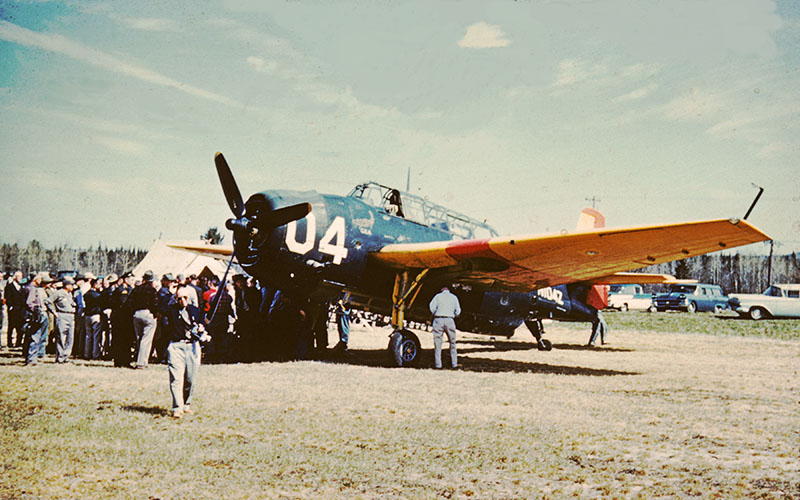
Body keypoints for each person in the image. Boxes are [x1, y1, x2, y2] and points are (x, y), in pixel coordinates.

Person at [165, 286, 210, 418]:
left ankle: (186, 404)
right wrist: (170, 292)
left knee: (190, 378)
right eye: (179, 298)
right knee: (176, 379)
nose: (182, 301)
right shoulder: (171, 310)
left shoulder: (195, 310)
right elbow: (160, 306)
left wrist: (202, 327)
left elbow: (203, 322)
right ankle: (177, 408)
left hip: (192, 347)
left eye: (185, 298)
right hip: (176, 347)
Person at [129, 270, 158, 369]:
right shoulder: (152, 290)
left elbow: (130, 302)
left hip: (137, 314)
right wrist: (154, 314)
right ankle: (142, 362)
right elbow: (155, 304)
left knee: (139, 338)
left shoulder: (136, 289)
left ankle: (139, 359)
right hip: (147, 313)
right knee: (146, 339)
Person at [428, 285, 461, 369]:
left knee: (438, 343)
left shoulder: (437, 296)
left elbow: (432, 308)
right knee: (452, 343)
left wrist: (436, 312)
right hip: (449, 319)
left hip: (438, 319)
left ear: (441, 289)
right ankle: (454, 364)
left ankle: (438, 365)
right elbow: (458, 311)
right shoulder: (454, 297)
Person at [46, 275, 76, 363]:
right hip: (62, 315)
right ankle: (60, 356)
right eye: (71, 285)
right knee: (61, 337)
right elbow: (47, 301)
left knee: (70, 338)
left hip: (71, 315)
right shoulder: (59, 293)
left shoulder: (70, 294)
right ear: (66, 285)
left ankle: (66, 356)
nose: (72, 287)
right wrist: (54, 312)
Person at [24, 273, 51, 365]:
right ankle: (32, 358)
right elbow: (29, 302)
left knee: (34, 336)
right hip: (35, 315)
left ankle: (31, 357)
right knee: (35, 336)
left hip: (33, 314)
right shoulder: (33, 289)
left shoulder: (29, 287)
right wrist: (35, 311)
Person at [5, 271, 27, 348]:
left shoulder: (21, 287)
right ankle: (10, 343)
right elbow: (8, 298)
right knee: (11, 326)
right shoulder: (9, 287)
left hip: (21, 309)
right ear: (15, 277)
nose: (21, 278)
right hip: (13, 310)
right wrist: (11, 306)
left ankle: (18, 342)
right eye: (19, 276)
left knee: (20, 326)